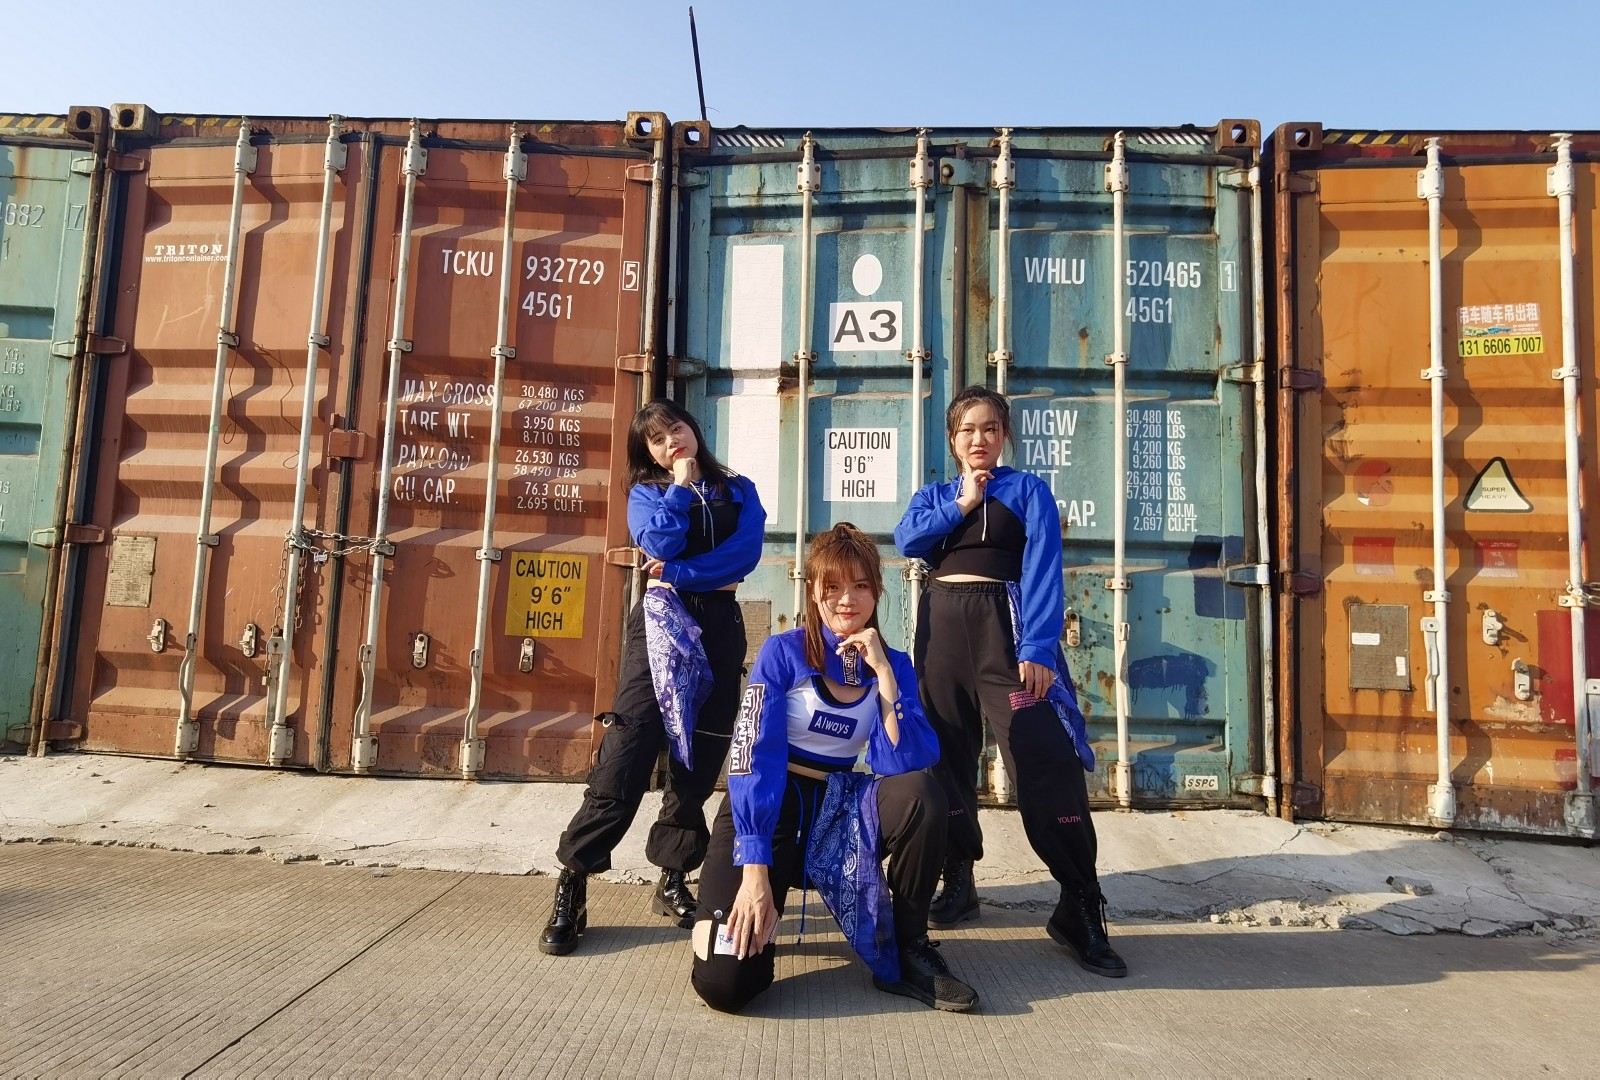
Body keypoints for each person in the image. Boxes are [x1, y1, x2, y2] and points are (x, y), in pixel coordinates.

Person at [690, 524, 978, 1014]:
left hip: (840, 810)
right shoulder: (783, 652)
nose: (847, 599)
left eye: (861, 585)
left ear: (877, 591)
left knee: (922, 795)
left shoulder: (895, 665)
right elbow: (752, 756)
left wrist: (883, 674)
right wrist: (755, 873)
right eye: (833, 586)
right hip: (767, 811)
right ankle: (746, 926)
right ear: (814, 592)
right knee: (726, 985)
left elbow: (902, 762)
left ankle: (909, 946)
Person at [893, 385, 1127, 978]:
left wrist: (1040, 646)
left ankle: (1079, 902)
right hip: (942, 637)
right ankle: (959, 877)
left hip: (1006, 634)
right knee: (944, 760)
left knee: (1046, 758)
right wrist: (964, 503)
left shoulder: (1028, 491)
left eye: (991, 429)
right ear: (953, 440)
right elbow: (909, 541)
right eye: (968, 430)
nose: (979, 439)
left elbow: (1044, 568)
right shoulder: (935, 496)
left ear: (1004, 437)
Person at [541, 400, 765, 955]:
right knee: (629, 746)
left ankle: (672, 877)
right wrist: (679, 487)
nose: (672, 443)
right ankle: (574, 881)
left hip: (719, 624)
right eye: (658, 440)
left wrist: (683, 570)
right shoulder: (647, 494)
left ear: (693, 428)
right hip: (662, 623)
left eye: (676, 430)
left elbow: (744, 556)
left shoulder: (739, 489)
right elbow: (657, 543)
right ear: (648, 453)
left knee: (701, 756)